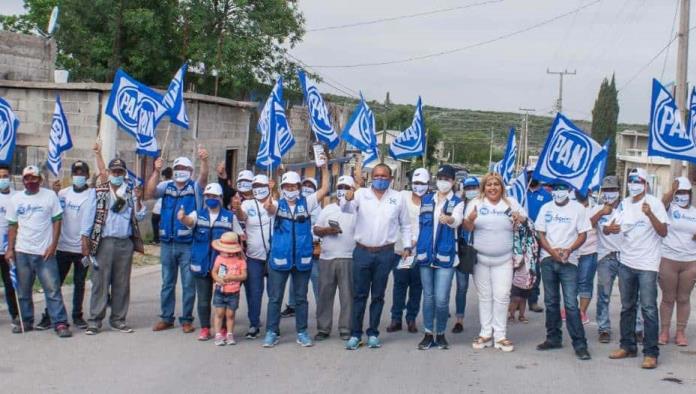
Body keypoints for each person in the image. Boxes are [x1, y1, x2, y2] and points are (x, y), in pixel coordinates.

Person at [342, 163, 412, 350]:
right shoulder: (360, 194)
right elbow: (346, 209)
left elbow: (405, 224)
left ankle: (373, 333)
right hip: (362, 251)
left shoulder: (397, 198)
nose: (380, 179)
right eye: (377, 176)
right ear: (372, 177)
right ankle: (355, 334)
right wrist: (347, 198)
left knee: (378, 295)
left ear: (390, 179)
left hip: (385, 253)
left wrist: (406, 245)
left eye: (384, 176)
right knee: (359, 295)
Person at [262, 165, 329, 348]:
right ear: (283, 188)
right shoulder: (277, 204)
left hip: (302, 259)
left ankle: (302, 332)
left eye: (294, 186)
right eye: (287, 186)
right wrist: (271, 190)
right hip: (279, 258)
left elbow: (324, 189)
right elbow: (268, 207)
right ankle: (271, 332)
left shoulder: (306, 203)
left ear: (299, 188)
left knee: (301, 298)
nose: (291, 190)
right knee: (275, 298)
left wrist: (323, 169)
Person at [607, 168, 668, 370]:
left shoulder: (655, 203)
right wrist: (610, 229)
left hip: (648, 264)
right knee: (627, 307)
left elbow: (663, 231)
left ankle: (651, 352)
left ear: (645, 184)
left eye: (638, 181)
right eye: (631, 181)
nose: (634, 184)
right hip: (627, 262)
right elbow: (609, 227)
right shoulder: (624, 204)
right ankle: (627, 346)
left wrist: (650, 214)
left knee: (649, 308)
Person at [145, 148, 209, 333]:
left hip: (188, 244)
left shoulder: (194, 187)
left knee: (188, 284)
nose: (180, 170)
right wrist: (156, 171)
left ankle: (187, 319)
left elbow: (204, 177)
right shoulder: (168, 186)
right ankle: (166, 317)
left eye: (184, 167)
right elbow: (150, 192)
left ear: (191, 171)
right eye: (177, 167)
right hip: (167, 242)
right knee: (167, 283)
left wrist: (204, 161)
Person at [81, 158, 146, 334]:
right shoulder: (99, 190)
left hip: (125, 242)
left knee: (122, 282)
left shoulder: (131, 191)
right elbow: (89, 215)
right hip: (103, 241)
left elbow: (139, 216)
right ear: (109, 173)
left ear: (124, 174)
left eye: (120, 172)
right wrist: (85, 241)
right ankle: (95, 320)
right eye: (114, 171)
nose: (117, 174)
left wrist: (139, 200)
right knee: (99, 282)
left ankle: (118, 319)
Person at [462, 173, 525, 352]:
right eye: (489, 184)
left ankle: (500, 335)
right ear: (484, 187)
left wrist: (519, 218)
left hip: (504, 259)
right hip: (480, 259)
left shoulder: (511, 203)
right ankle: (485, 333)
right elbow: (468, 227)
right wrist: (470, 219)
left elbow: (524, 221)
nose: (492, 188)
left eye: (496, 184)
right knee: (485, 296)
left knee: (502, 296)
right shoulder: (476, 203)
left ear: (501, 187)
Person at [6, 165, 71, 337]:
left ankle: (60, 322)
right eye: (27, 178)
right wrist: (10, 249)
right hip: (22, 251)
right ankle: (25, 321)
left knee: (52, 289)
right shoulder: (16, 199)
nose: (30, 181)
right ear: (23, 180)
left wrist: (53, 245)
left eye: (34, 178)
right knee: (23, 291)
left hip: (44, 253)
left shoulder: (49, 196)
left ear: (40, 180)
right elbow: (12, 225)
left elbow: (57, 220)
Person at [33, 161, 93, 332]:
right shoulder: (63, 194)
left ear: (87, 175)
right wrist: (54, 192)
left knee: (79, 282)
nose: (79, 176)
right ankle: (49, 315)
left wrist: (88, 243)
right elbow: (52, 212)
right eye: (76, 172)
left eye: (82, 173)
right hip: (62, 247)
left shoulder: (92, 195)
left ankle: (77, 315)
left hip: (82, 249)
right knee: (55, 284)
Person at [534, 181, 591, 360]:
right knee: (551, 301)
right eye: (555, 188)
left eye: (562, 189)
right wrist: (552, 252)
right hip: (548, 259)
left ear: (569, 190)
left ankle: (580, 344)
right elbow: (540, 233)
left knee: (571, 304)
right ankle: (553, 338)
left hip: (569, 261)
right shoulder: (546, 208)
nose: (559, 192)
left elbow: (583, 234)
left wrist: (569, 250)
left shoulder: (578, 209)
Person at [178, 183, 242, 341]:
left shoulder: (229, 216)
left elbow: (239, 236)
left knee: (223, 294)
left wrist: (240, 258)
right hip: (201, 263)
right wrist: (182, 218)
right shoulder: (198, 214)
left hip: (222, 265)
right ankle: (205, 327)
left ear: (220, 198)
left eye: (214, 197)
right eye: (208, 196)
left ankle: (224, 328)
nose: (210, 199)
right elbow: (189, 222)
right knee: (203, 298)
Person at [415, 165, 464, 350]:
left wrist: (450, 220)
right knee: (428, 297)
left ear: (453, 182)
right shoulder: (426, 199)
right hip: (426, 255)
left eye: (447, 178)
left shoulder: (457, 202)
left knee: (442, 299)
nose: (443, 181)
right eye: (441, 177)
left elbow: (458, 220)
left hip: (446, 256)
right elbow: (419, 225)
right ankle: (428, 333)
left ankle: (441, 332)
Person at [592, 175, 637, 344]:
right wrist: (601, 213)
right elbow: (587, 224)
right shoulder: (598, 207)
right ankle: (603, 328)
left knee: (630, 296)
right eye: (605, 190)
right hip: (606, 256)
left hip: (626, 256)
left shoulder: (628, 208)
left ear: (619, 191)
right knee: (603, 295)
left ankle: (636, 328)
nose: (609, 193)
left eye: (612, 190)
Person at [314, 175, 357, 341]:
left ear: (353, 190)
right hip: (327, 257)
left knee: (347, 296)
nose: (343, 191)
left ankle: (346, 328)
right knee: (325, 294)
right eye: (340, 187)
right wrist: (327, 231)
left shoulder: (357, 209)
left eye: (347, 187)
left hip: (349, 257)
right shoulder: (328, 209)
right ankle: (323, 328)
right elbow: (316, 229)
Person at [387, 168, 427, 334]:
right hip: (401, 251)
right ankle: (395, 319)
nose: (419, 186)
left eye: (422, 183)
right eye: (416, 183)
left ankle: (411, 318)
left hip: (420, 252)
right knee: (399, 286)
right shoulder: (402, 196)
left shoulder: (431, 201)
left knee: (417, 287)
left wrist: (414, 243)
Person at [236, 174, 276, 339]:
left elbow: (273, 210)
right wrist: (238, 207)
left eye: (262, 185)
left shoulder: (275, 202)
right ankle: (254, 324)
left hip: (273, 256)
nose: (259, 188)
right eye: (256, 185)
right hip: (253, 256)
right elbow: (241, 217)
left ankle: (273, 326)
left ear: (268, 186)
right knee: (254, 292)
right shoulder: (247, 204)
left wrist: (273, 193)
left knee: (274, 293)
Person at [658, 177, 696, 347]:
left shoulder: (694, 212)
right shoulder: (668, 208)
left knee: (683, 298)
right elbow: (662, 203)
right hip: (669, 259)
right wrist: (672, 190)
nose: (682, 196)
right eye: (679, 193)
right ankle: (664, 331)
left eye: (685, 192)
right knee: (668, 298)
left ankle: (680, 332)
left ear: (690, 194)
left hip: (690, 261)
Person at [281, 176, 322, 318]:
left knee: (316, 279)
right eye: (304, 185)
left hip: (312, 248)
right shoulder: (293, 203)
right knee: (294, 279)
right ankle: (292, 305)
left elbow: (317, 227)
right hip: (297, 249)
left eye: (310, 186)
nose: (307, 188)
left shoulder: (316, 207)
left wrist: (309, 236)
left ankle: (320, 308)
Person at [210, 232, 247, 346]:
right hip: (220, 290)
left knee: (230, 314)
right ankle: (218, 334)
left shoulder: (240, 260)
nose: (228, 253)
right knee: (219, 312)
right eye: (225, 250)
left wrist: (233, 277)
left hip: (233, 292)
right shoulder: (219, 258)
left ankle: (230, 334)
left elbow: (244, 275)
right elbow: (214, 272)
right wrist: (217, 279)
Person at [453, 176, 479, 333]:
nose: (471, 191)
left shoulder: (485, 205)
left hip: (481, 250)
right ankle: (459, 320)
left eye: (474, 187)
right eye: (468, 188)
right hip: (464, 250)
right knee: (462, 287)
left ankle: (488, 322)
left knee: (484, 288)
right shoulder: (459, 206)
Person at [526, 168, 551, 314]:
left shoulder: (547, 196)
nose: (531, 177)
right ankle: (517, 300)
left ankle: (533, 300)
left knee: (535, 269)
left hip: (539, 236)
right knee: (519, 268)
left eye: (534, 175)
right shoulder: (521, 193)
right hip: (521, 236)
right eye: (529, 175)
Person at [575, 190, 598, 325]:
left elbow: (590, 223)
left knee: (585, 282)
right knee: (572, 284)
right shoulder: (570, 206)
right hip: (572, 251)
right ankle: (571, 309)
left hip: (589, 250)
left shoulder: (597, 207)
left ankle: (582, 312)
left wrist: (600, 213)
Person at [0, 165, 19, 327]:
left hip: (9, 248)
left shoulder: (16, 197)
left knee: (10, 283)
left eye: (5, 176)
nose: (2, 180)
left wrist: (10, 247)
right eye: (0, 177)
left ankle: (15, 315)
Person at [150, 167, 172, 245]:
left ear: (164, 176)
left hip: (158, 208)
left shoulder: (163, 183)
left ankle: (156, 239)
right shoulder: (173, 183)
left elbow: (154, 193)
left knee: (155, 222)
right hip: (168, 209)